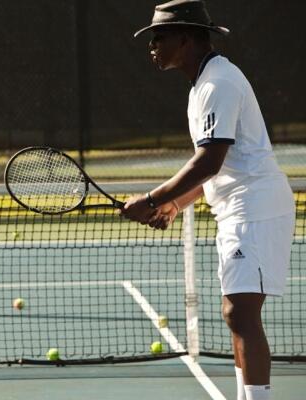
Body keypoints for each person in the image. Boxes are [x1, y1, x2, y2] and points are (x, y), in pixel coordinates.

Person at [125, 2, 295, 400]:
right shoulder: (203, 85)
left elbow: (209, 161)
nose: (152, 45)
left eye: (159, 37)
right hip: (238, 209)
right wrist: (174, 205)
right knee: (235, 314)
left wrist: (151, 198)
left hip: (256, 208)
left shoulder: (218, 83)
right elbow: (219, 167)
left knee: (240, 313)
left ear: (185, 39)